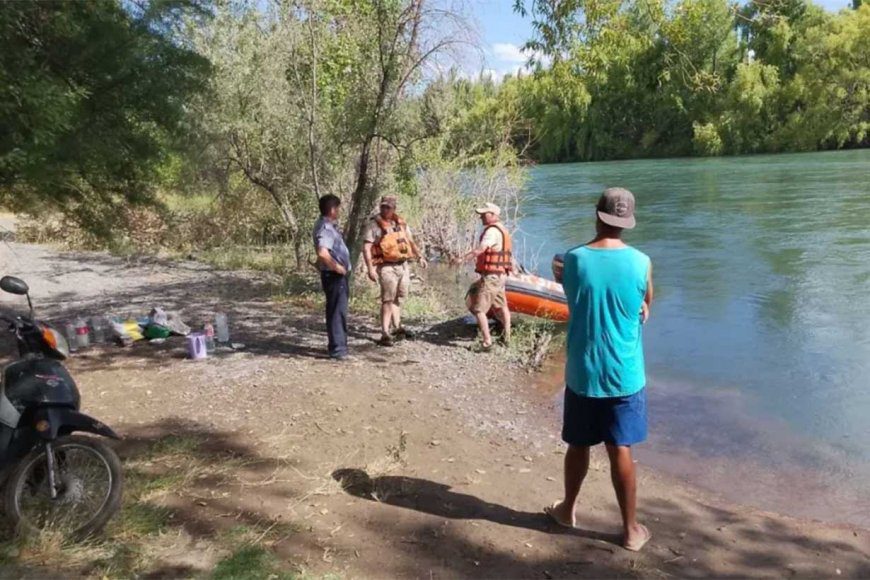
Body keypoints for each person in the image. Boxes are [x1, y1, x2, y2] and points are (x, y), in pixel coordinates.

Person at [545, 187, 654, 552]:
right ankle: (630, 530)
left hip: (583, 370)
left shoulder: (573, 260)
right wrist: (642, 308)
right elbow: (646, 302)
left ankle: (567, 510)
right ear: (628, 223)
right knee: (619, 447)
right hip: (625, 373)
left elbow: (563, 276)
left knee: (578, 443)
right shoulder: (642, 262)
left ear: (597, 215)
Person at [362, 196, 428, 346]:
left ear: (394, 209)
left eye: (388, 207)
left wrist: (419, 257)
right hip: (386, 267)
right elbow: (366, 248)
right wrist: (370, 269)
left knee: (399, 297)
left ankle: (397, 327)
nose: (385, 209)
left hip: (403, 265)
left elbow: (410, 241)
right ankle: (385, 332)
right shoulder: (374, 225)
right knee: (387, 299)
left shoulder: (401, 223)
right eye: (383, 206)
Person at [462, 202, 513, 351]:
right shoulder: (502, 229)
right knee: (502, 306)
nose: (481, 217)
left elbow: (481, 249)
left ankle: (486, 343)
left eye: (484, 215)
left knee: (478, 310)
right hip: (501, 275)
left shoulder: (491, 232)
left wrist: (462, 259)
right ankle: (507, 338)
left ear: (493, 215)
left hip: (491, 276)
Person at [313, 194, 351, 360]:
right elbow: (322, 252)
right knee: (337, 311)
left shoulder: (326, 225)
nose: (339, 211)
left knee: (335, 310)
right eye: (338, 208)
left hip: (332, 275)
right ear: (333, 209)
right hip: (334, 276)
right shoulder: (325, 228)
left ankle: (337, 346)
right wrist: (337, 268)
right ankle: (338, 349)